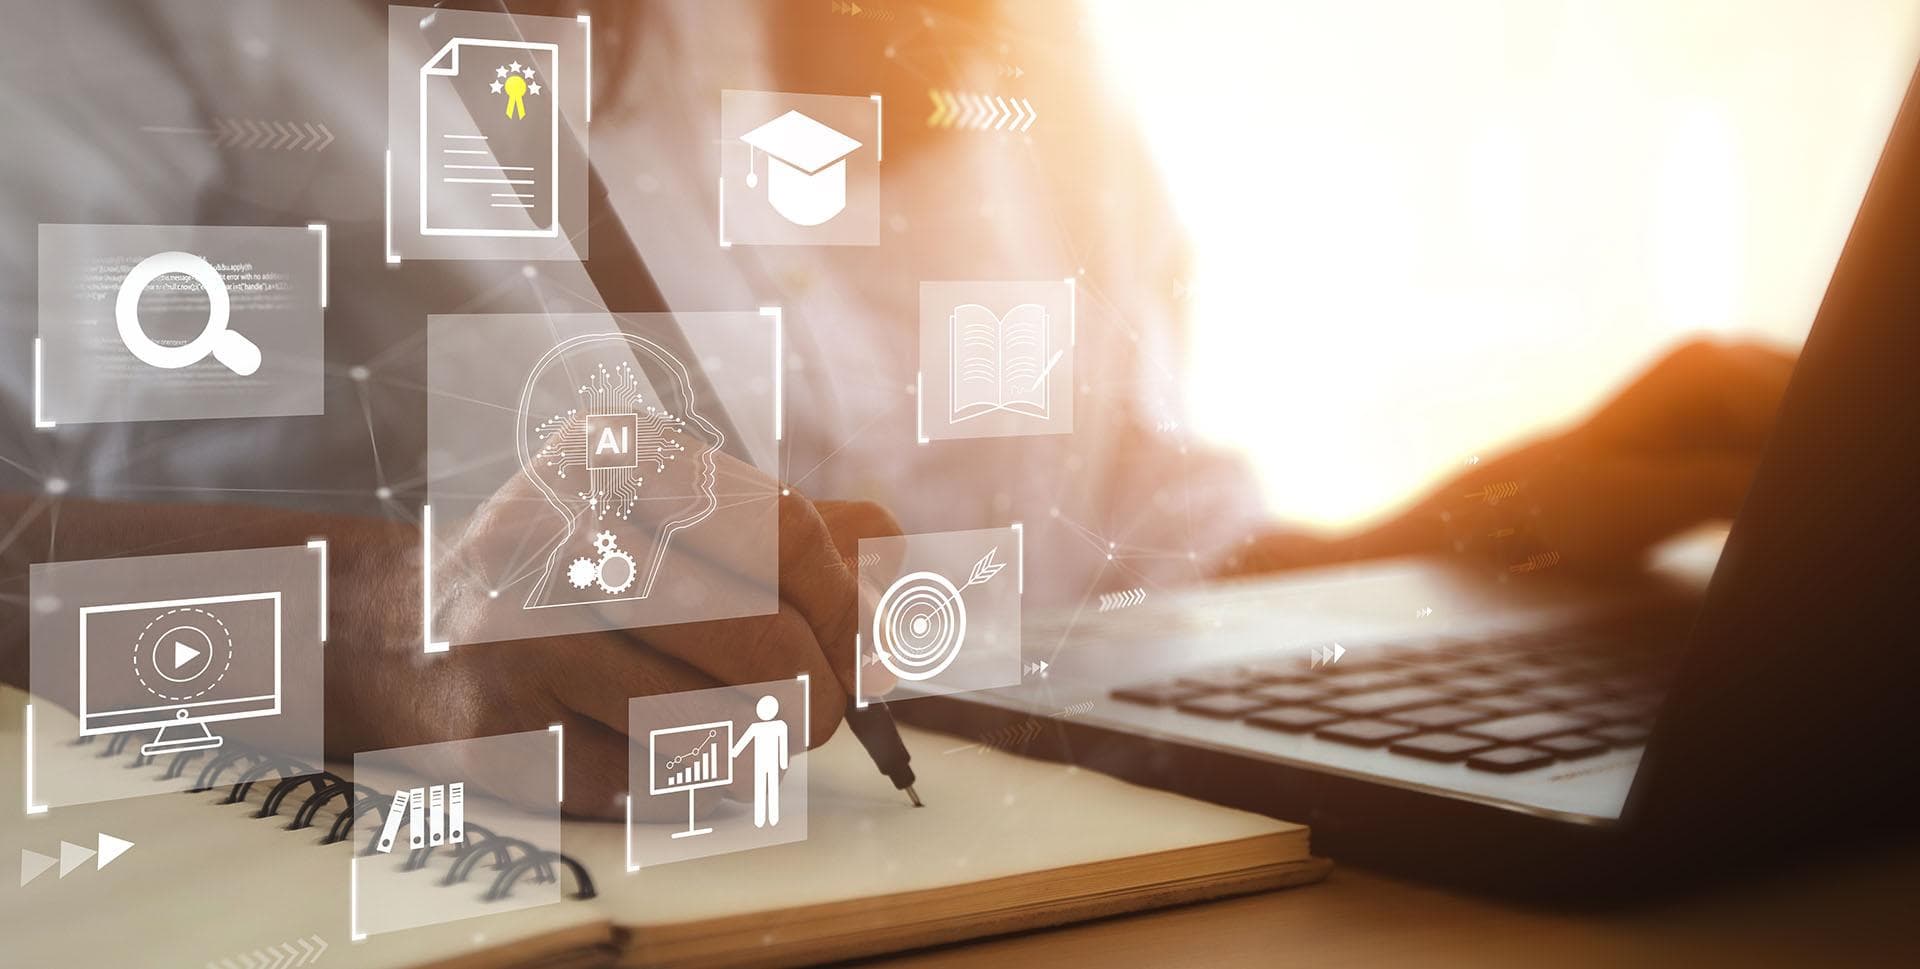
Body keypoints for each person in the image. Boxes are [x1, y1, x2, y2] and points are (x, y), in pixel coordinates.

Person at [0, 0, 1794, 823]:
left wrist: (1503, 523)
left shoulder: (990, 51)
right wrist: (398, 633)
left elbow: (1131, 573)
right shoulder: (91, 45)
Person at [729, 694, 790, 828]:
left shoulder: (779, 726)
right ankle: (762, 817)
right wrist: (733, 752)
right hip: (759, 762)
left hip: (772, 762)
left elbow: (783, 744)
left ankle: (772, 816)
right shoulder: (756, 726)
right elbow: (743, 741)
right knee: (761, 789)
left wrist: (783, 761)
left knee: (770, 789)